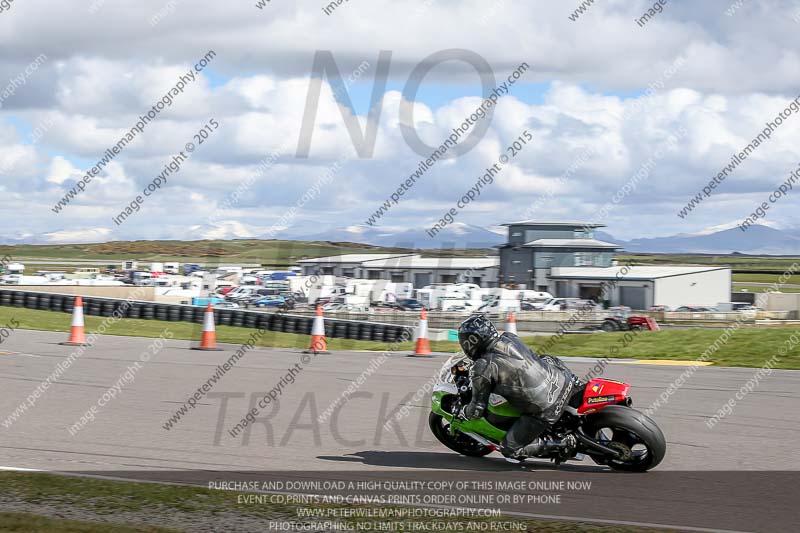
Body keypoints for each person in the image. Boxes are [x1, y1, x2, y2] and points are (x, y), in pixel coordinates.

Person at [457, 314, 580, 462]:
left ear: (472, 341)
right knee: (544, 358)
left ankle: (563, 443)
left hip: (547, 408)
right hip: (564, 380)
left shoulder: (483, 366)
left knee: (509, 449)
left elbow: (477, 410)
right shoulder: (509, 337)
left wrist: (463, 411)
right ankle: (576, 381)